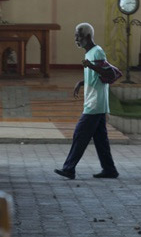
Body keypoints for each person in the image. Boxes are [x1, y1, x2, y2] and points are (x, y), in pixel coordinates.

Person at [54, 23, 119, 180]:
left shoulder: (97, 52)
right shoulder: (89, 53)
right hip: (95, 101)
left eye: (78, 36)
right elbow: (95, 75)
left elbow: (108, 73)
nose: (76, 39)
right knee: (100, 138)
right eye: (76, 36)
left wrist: (90, 65)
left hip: (95, 103)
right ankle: (110, 170)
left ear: (88, 37)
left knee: (80, 133)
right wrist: (82, 82)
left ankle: (69, 168)